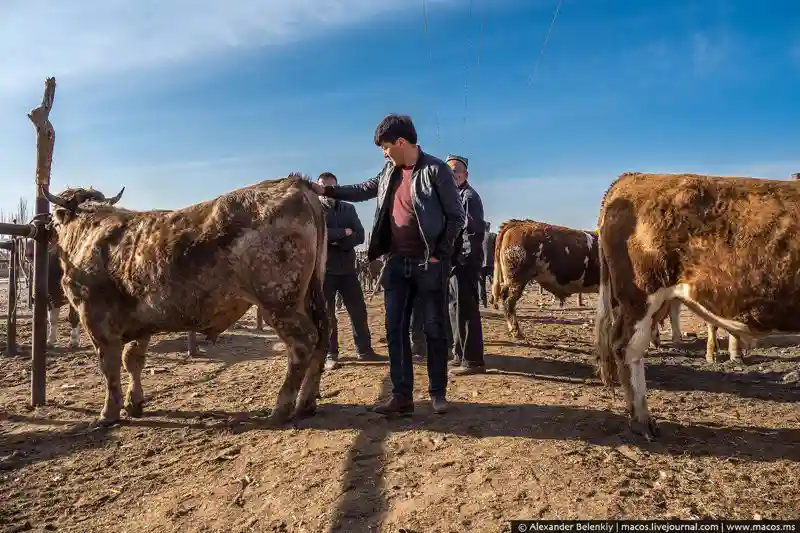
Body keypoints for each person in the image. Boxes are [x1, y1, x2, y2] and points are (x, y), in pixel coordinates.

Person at [310, 114, 465, 415]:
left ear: (401, 142)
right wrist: (326, 191)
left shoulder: (436, 170)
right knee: (394, 330)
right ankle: (402, 396)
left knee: (433, 328)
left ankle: (437, 392)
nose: (383, 153)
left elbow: (457, 217)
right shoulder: (388, 172)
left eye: (385, 147)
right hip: (395, 262)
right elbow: (361, 190)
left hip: (428, 263)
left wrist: (438, 255)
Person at [316, 172, 382, 370]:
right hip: (325, 271)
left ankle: (364, 351)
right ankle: (331, 354)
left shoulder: (348, 208)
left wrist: (339, 241)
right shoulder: (313, 211)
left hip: (348, 270)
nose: (327, 192)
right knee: (327, 315)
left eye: (330, 187)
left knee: (358, 311)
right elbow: (319, 234)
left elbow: (360, 235)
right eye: (323, 186)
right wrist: (343, 233)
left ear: (336, 187)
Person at [445, 154, 488, 376]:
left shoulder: (469, 197)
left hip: (465, 264)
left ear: (465, 174)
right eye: (448, 172)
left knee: (467, 310)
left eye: (455, 171)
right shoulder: (454, 197)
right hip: (455, 264)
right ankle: (460, 354)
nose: (452, 176)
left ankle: (473, 361)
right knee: (455, 309)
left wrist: (465, 259)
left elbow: (474, 232)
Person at [480, 222, 496, 308]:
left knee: (481, 284)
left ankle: (483, 302)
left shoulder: (478, 236)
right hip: (491, 263)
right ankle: (494, 299)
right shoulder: (493, 235)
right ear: (489, 227)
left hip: (481, 263)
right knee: (493, 283)